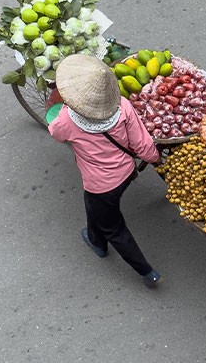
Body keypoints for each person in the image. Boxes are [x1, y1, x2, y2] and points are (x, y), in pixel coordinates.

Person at [47, 55, 162, 288]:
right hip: (127, 173)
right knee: (95, 208)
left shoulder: (67, 120)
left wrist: (64, 111)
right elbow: (143, 146)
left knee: (113, 226)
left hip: (100, 185)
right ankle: (95, 240)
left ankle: (146, 271)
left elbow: (56, 134)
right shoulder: (123, 106)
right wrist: (157, 161)